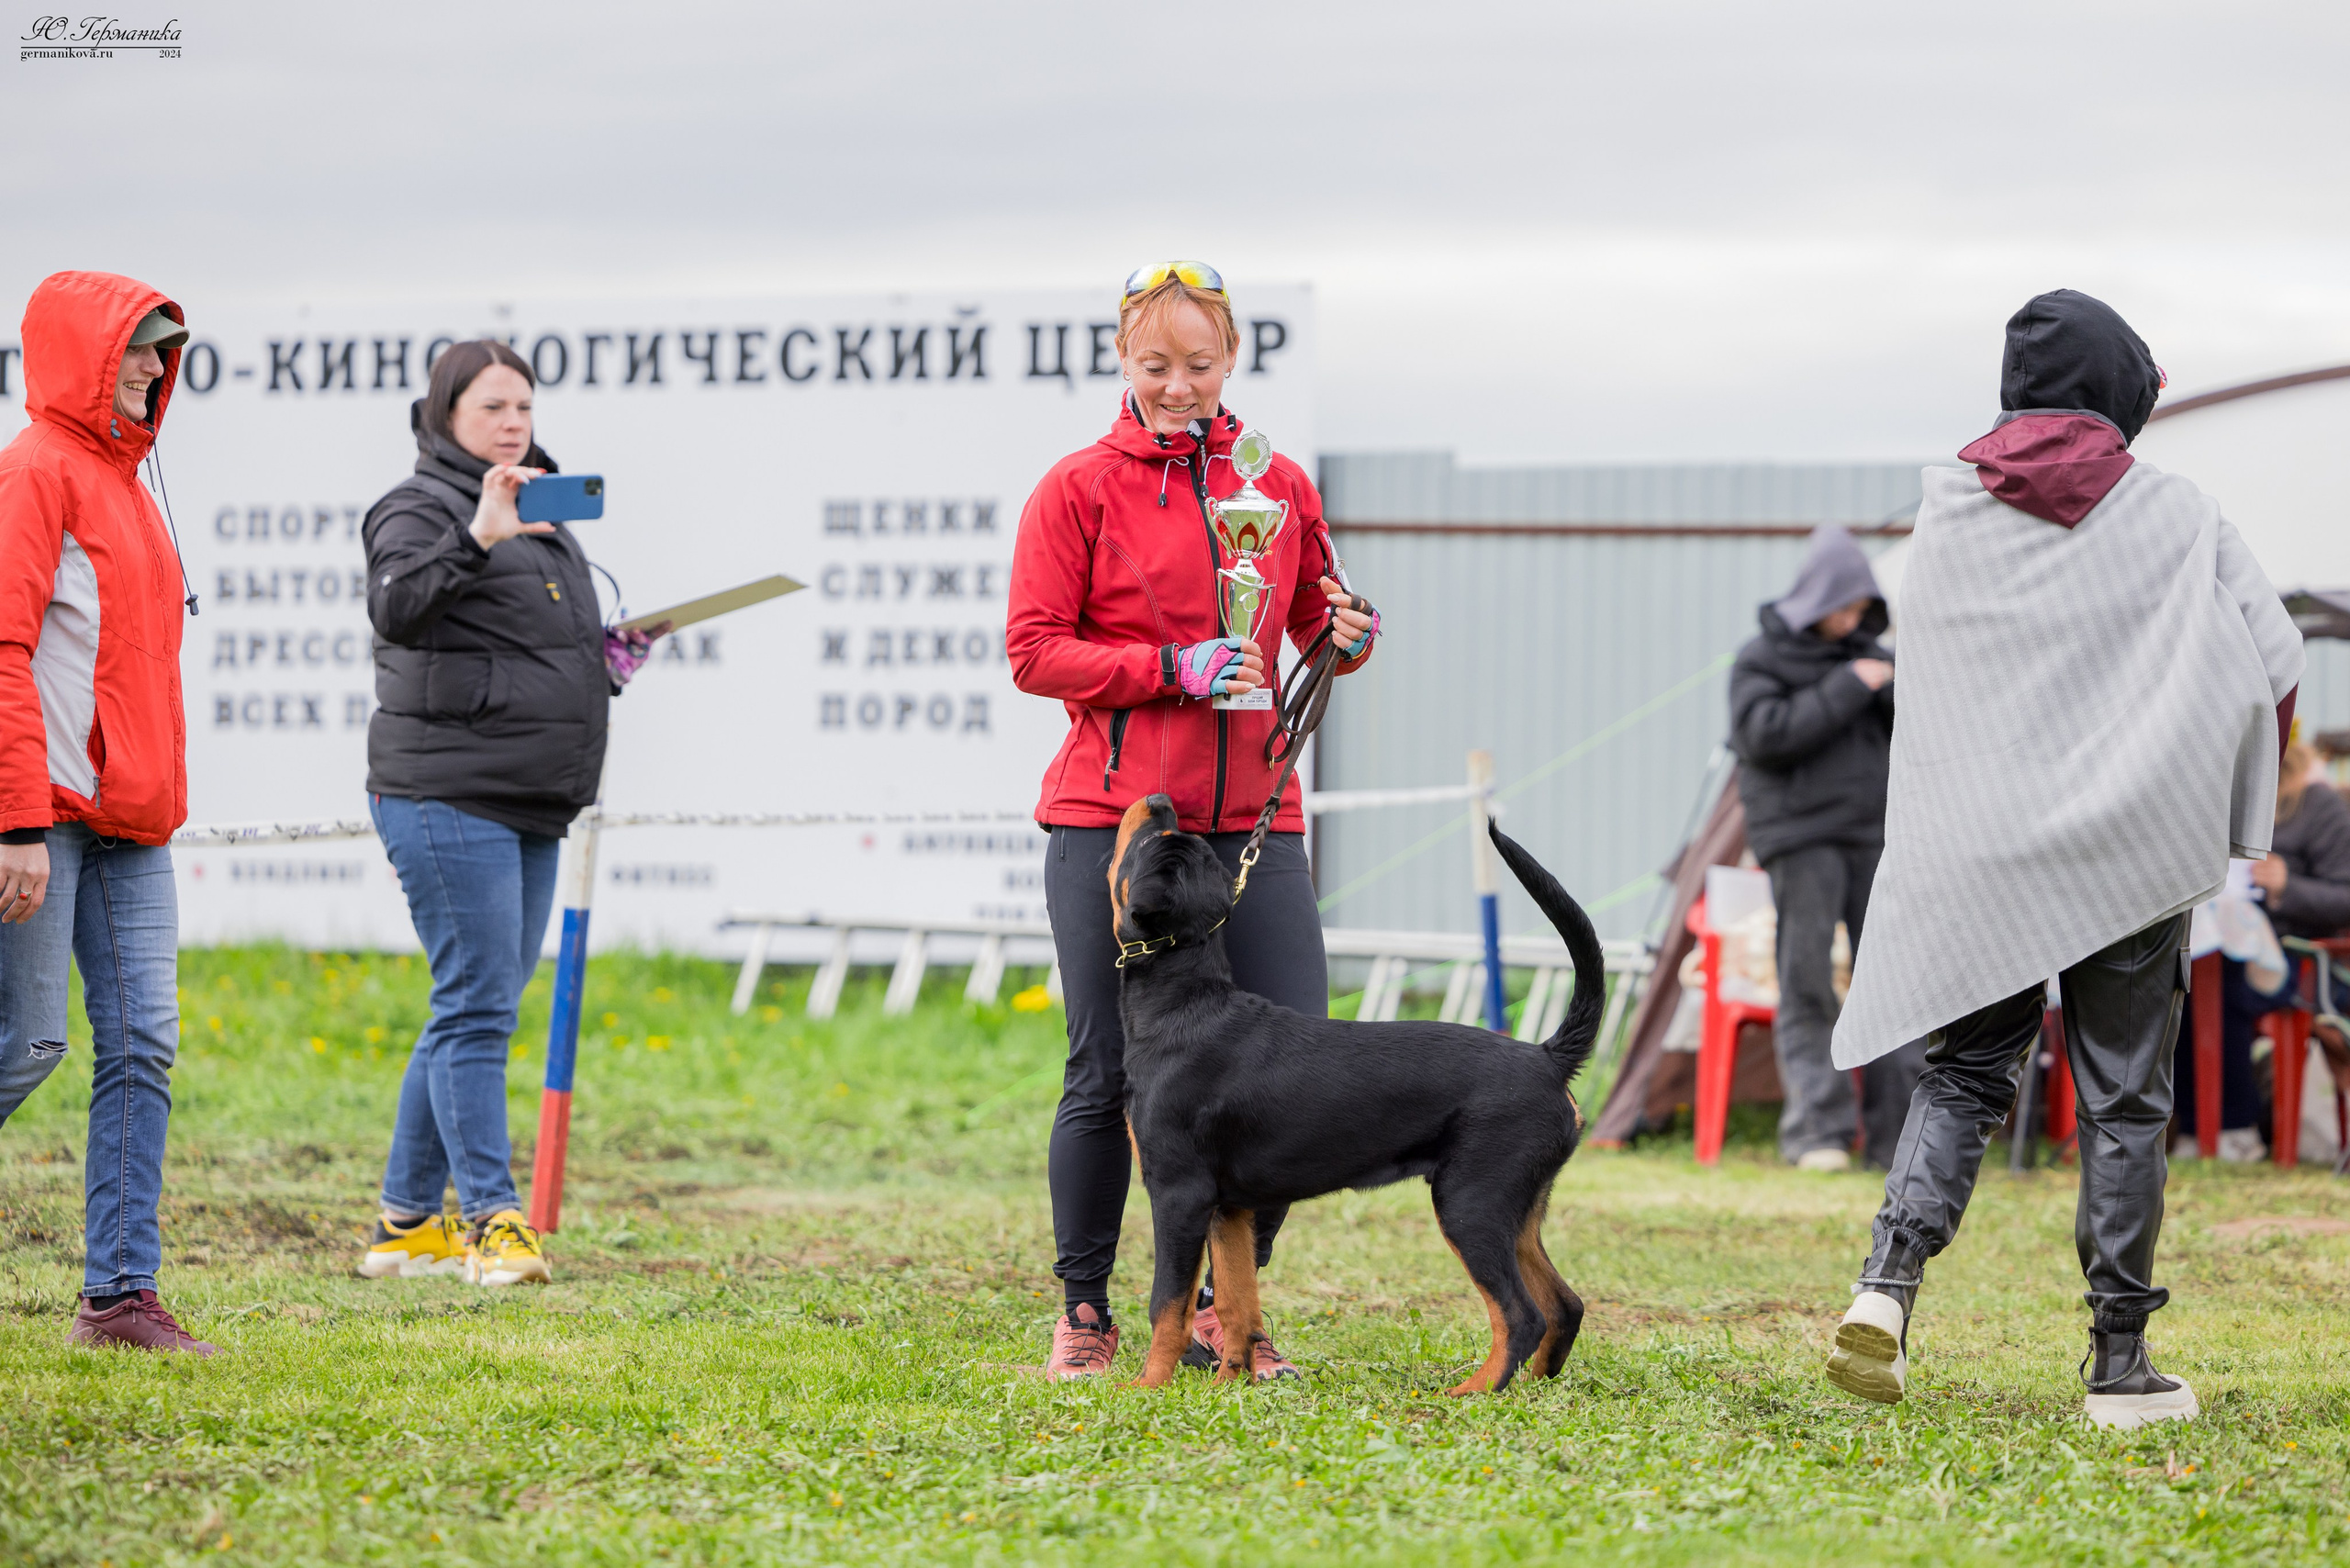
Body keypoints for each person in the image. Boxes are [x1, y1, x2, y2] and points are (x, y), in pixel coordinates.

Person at [1822, 289, 2301, 1429]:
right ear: (2120, 387)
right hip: (2130, 846)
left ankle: (1883, 1294)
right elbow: (2274, 660)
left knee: (1962, 1074)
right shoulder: (2179, 510)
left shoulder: (1941, 514)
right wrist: (2223, 791)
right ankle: (2119, 1366)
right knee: (2124, 1100)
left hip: (1982, 850)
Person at [1007, 262, 1380, 1382]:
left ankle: (1231, 1312)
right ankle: (1085, 1309)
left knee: (1292, 1071)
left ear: (1233, 362)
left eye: (1200, 365)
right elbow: (1034, 651)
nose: (1179, 387)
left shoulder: (1277, 484)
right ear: (1125, 360)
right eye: (1157, 365)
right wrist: (1168, 665)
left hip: (1257, 821)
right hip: (1113, 823)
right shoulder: (1074, 488)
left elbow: (1315, 614)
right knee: (1103, 1069)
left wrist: (1348, 632)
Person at [356, 341, 662, 1288]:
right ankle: (493, 1221)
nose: (514, 421)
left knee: (471, 1003)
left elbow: (521, 638)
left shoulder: (540, 506)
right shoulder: (419, 508)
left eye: (524, 404)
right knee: (477, 1008)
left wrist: (602, 655)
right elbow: (399, 607)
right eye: (492, 405)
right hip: (447, 793)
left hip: (531, 796)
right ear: (445, 413)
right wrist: (480, 533)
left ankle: (406, 1225)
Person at [0, 272, 214, 1354]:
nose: (152, 366)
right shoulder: (35, 471)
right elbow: (4, 652)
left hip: (134, 827)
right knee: (28, 1042)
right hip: (44, 823)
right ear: (82, 354)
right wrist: (17, 820)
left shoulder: (132, 485)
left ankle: (120, 1298)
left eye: (162, 349)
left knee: (142, 1048)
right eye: (135, 347)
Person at [1729, 526, 1924, 1170]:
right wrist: (1851, 685)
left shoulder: (1879, 659)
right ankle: (1819, 1133)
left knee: (1890, 985)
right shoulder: (1762, 659)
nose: (1851, 620)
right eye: (1843, 607)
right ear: (1816, 599)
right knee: (1807, 981)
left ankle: (1898, 1136)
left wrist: (1888, 684)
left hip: (1877, 839)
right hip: (1801, 839)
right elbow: (1763, 737)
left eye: (1861, 610)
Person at [2174, 738, 2350, 1160]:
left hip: (2299, 959)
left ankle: (2233, 1129)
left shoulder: (2317, 805)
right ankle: (2193, 1129)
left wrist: (2288, 886)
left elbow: (2344, 896)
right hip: (2214, 944)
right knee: (2179, 987)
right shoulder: (2207, 800)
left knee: (2227, 990)